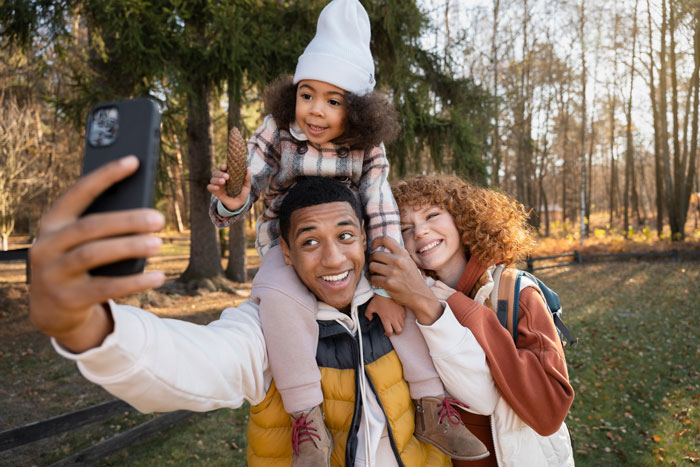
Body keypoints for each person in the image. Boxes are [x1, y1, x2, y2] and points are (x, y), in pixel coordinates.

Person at [29, 167, 495, 466]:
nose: (333, 259)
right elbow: (205, 362)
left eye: (346, 236)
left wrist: (425, 306)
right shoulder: (269, 324)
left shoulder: (408, 302)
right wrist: (92, 329)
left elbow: (484, 394)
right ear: (286, 254)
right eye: (310, 242)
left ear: (366, 237)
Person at [206, 0, 485, 463]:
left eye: (333, 101)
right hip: (288, 246)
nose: (315, 112)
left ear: (354, 109)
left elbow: (380, 210)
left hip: (352, 243)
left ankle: (433, 404)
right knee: (278, 302)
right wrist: (231, 200)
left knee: (403, 303)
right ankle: (308, 420)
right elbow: (245, 184)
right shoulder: (277, 131)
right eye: (307, 94)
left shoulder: (367, 149)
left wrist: (386, 282)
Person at [367, 175, 576, 466]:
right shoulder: (401, 306)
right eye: (405, 227)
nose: (420, 231)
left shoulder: (518, 294)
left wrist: (454, 306)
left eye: (432, 215)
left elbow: (549, 413)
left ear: (462, 219)